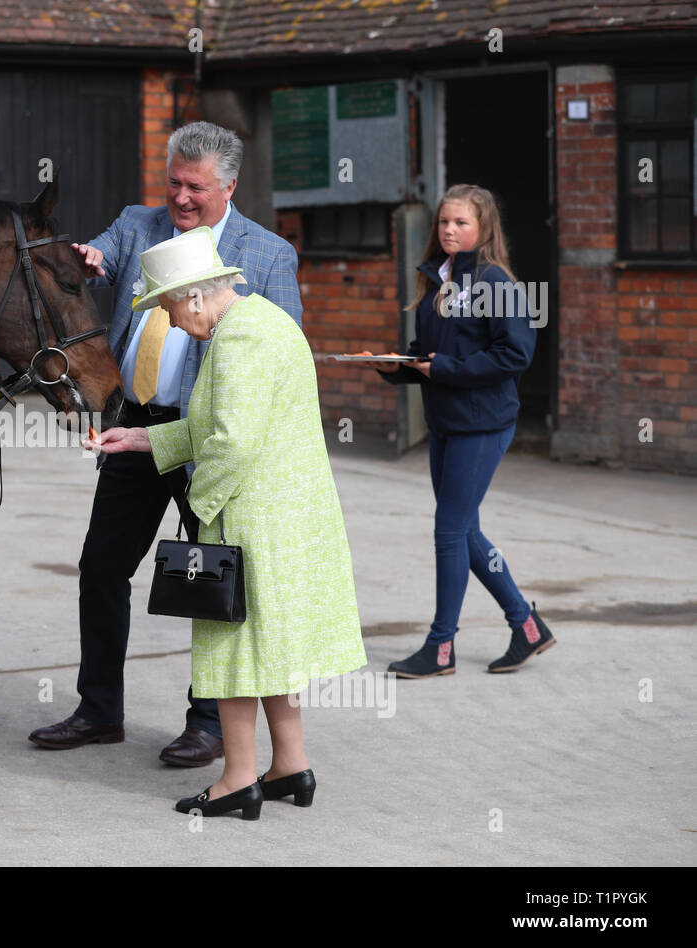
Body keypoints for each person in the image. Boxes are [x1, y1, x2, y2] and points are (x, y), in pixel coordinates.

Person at [28, 121, 303, 768]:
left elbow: (284, 352)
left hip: (212, 437)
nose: (180, 197)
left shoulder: (266, 256)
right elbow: (97, 253)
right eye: (174, 182)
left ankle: (208, 723)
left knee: (213, 580)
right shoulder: (139, 223)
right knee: (101, 568)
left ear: (229, 185)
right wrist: (86, 258)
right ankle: (99, 710)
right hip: (137, 427)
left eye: (196, 187)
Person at [88, 227, 366, 819]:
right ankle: (290, 764)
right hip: (281, 514)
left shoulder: (238, 340)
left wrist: (199, 503)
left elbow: (232, 443)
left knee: (231, 647)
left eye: (165, 306)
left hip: (248, 515)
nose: (167, 318)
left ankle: (238, 778)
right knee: (269, 646)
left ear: (191, 296)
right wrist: (143, 437)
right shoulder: (260, 320)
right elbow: (221, 423)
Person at [369, 184, 554, 677]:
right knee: (464, 530)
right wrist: (400, 366)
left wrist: (441, 368)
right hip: (447, 420)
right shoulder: (439, 276)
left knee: (449, 532)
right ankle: (527, 626)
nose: (450, 230)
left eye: (461, 223)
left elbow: (514, 355)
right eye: (444, 222)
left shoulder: (497, 283)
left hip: (484, 422)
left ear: (483, 228)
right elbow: (433, 353)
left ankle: (441, 647)